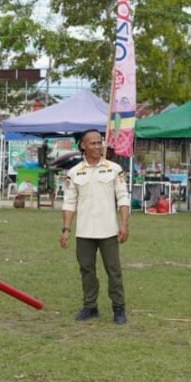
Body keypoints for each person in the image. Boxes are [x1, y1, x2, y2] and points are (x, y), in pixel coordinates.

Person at [60, 130, 131, 324]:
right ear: (83, 146)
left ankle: (119, 308)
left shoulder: (114, 168)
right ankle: (90, 307)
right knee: (87, 270)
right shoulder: (74, 172)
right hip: (84, 232)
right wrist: (66, 229)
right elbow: (69, 203)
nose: (97, 147)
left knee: (113, 270)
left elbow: (123, 198)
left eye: (100, 143)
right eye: (92, 143)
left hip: (108, 230)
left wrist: (124, 224)